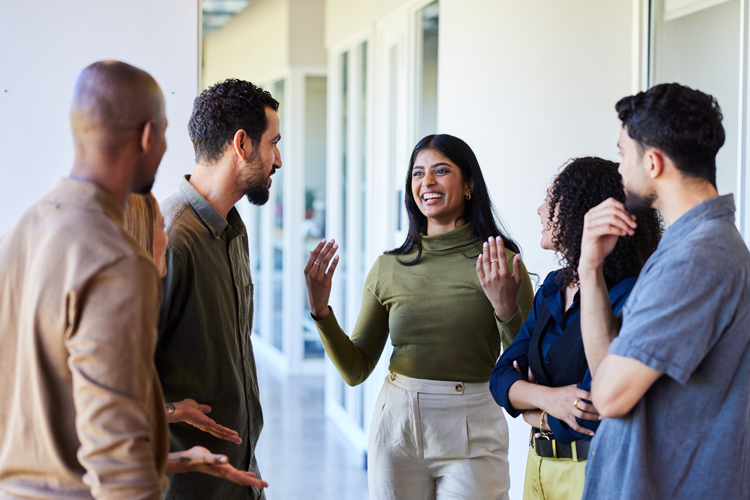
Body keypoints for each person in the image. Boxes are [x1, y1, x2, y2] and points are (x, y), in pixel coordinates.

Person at [305, 134, 535, 500]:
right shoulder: (389, 267)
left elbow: (526, 368)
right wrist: (320, 312)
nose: (426, 182)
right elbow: (356, 369)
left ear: (469, 184)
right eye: (417, 173)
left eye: (441, 171)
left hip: (474, 425)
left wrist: (505, 310)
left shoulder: (501, 262)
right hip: (396, 425)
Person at [0, 60, 170, 499]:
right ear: (147, 135)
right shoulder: (116, 262)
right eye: (165, 133)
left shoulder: (22, 230)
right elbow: (119, 465)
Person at [577, 83, 750, 499]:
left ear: (652, 162)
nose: (619, 169)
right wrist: (590, 267)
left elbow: (609, 395)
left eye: (622, 153)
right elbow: (608, 372)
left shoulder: (696, 259)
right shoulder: (689, 246)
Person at [489, 158, 662, 500]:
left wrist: (527, 405)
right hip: (536, 467)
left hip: (590, 470)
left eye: (551, 200)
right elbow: (498, 378)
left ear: (582, 211)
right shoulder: (553, 286)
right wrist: (550, 399)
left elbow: (590, 413)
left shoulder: (628, 295)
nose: (540, 210)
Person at [157, 79, 281, 500]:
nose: (277, 160)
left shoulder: (232, 230)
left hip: (240, 476)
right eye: (273, 144)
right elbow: (106, 382)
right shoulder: (169, 239)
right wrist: (170, 411)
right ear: (242, 144)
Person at [124, 193, 268, 488]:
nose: (168, 240)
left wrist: (188, 456)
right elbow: (108, 428)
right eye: (160, 228)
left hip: (233, 477)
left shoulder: (235, 231)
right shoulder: (179, 239)